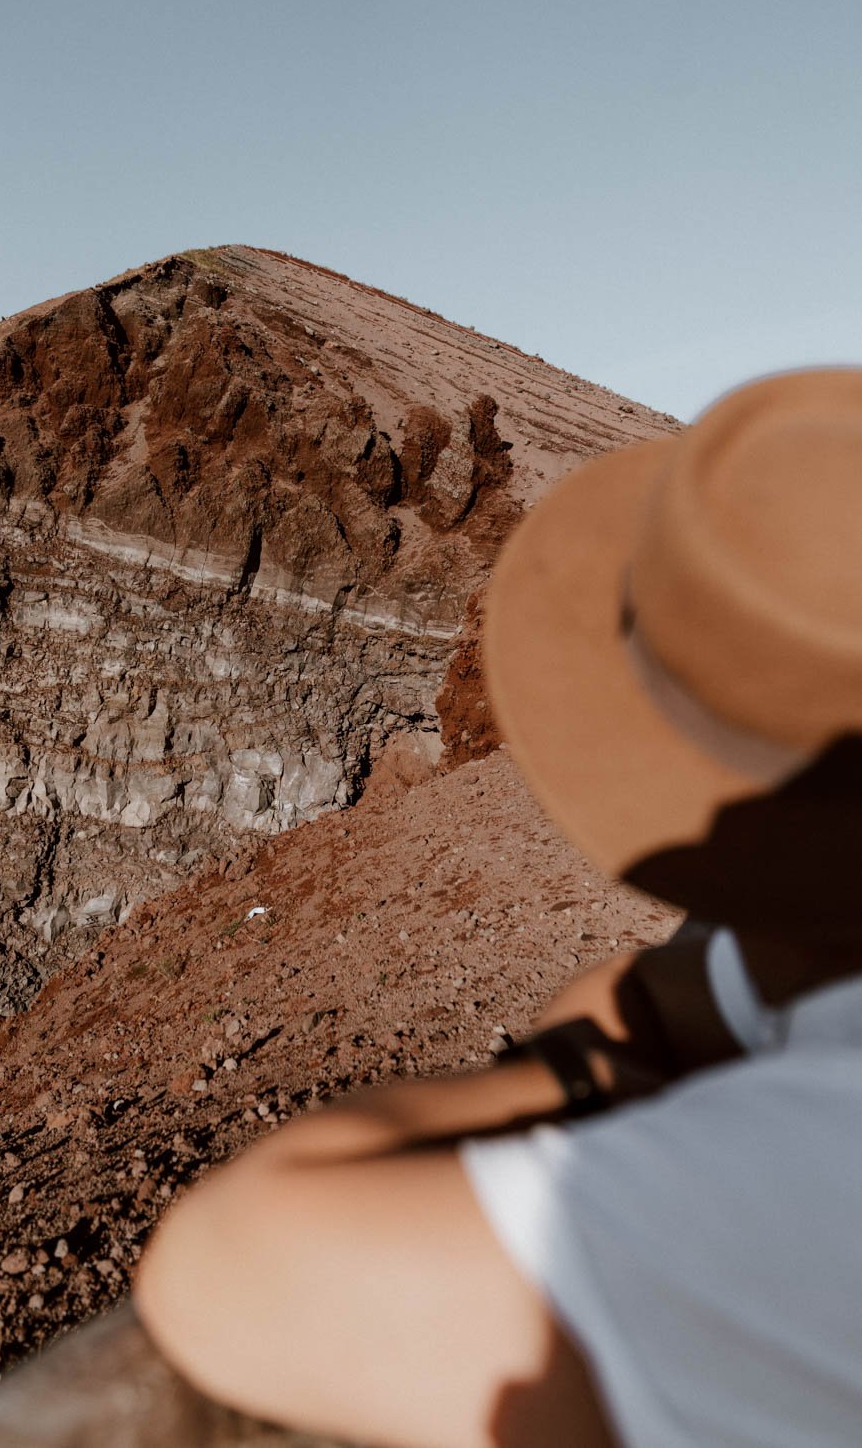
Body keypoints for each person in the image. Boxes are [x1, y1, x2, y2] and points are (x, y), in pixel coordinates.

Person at [135, 368, 862, 1448]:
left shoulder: (810, 1163)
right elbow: (656, 987)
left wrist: (574, 1076)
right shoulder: (806, 979)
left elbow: (222, 1269)